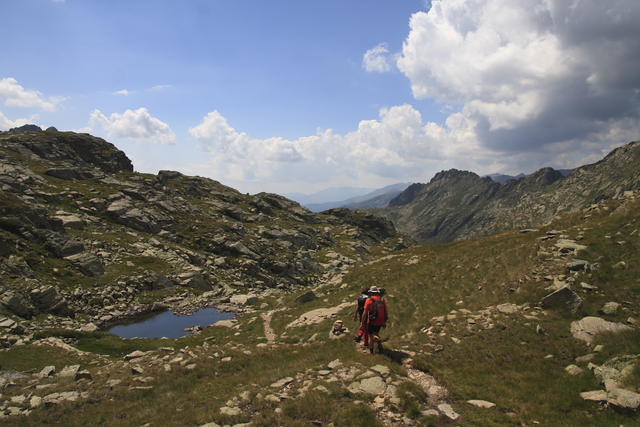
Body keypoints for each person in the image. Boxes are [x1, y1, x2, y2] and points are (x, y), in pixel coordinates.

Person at [361, 285, 388, 354]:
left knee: (371, 336)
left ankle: (371, 352)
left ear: (371, 292)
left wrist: (363, 321)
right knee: (376, 332)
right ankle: (380, 346)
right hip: (380, 320)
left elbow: (365, 312)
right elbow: (386, 311)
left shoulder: (369, 300)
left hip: (372, 321)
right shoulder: (382, 300)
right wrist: (384, 321)